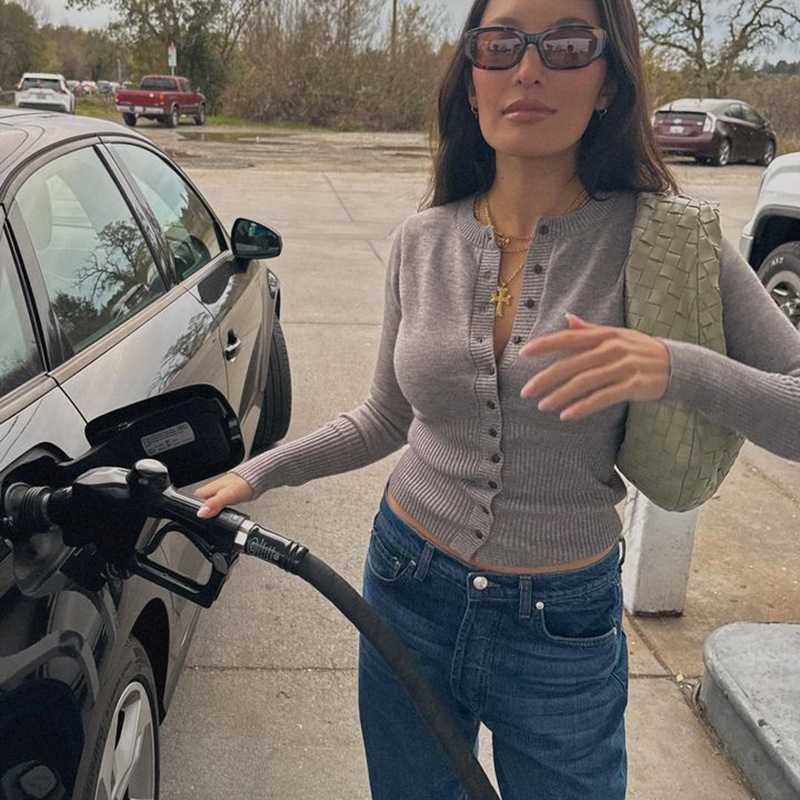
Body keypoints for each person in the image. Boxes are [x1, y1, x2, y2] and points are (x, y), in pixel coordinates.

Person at [194, 0, 800, 796]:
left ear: (610, 83)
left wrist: (672, 366)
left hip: (561, 624)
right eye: (501, 43)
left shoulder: (669, 243)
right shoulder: (422, 240)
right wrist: (258, 473)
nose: (529, 68)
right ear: (472, 80)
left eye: (568, 44)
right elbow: (385, 417)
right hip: (405, 584)